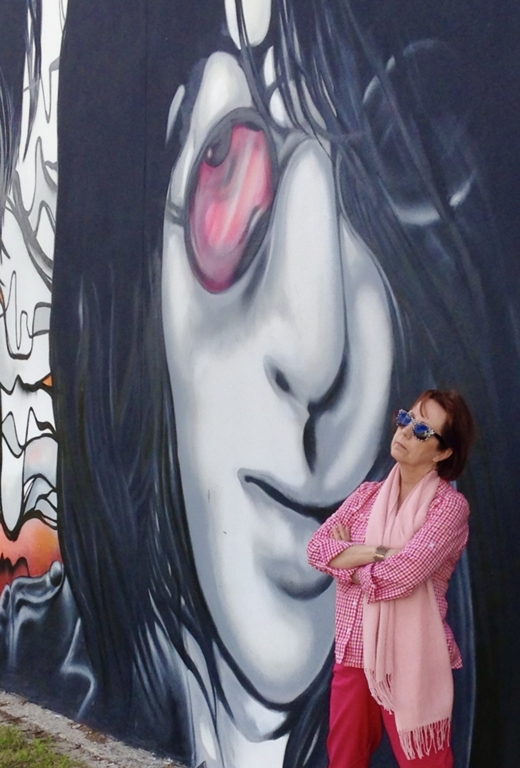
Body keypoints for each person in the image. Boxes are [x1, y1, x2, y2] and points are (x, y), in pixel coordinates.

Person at [1, 1, 518, 767]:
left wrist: (365, 558)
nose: (317, 358)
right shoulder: (39, 643)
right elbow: (345, 556)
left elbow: (374, 565)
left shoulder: (435, 513)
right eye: (227, 162)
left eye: (383, 175)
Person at [308, 390, 475, 768]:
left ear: (443, 452)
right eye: (405, 418)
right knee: (344, 760)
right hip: (353, 651)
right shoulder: (366, 496)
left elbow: (403, 574)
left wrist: (348, 555)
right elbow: (317, 550)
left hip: (412, 660)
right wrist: (379, 551)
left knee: (425, 764)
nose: (405, 431)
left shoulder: (449, 507)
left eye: (422, 430)